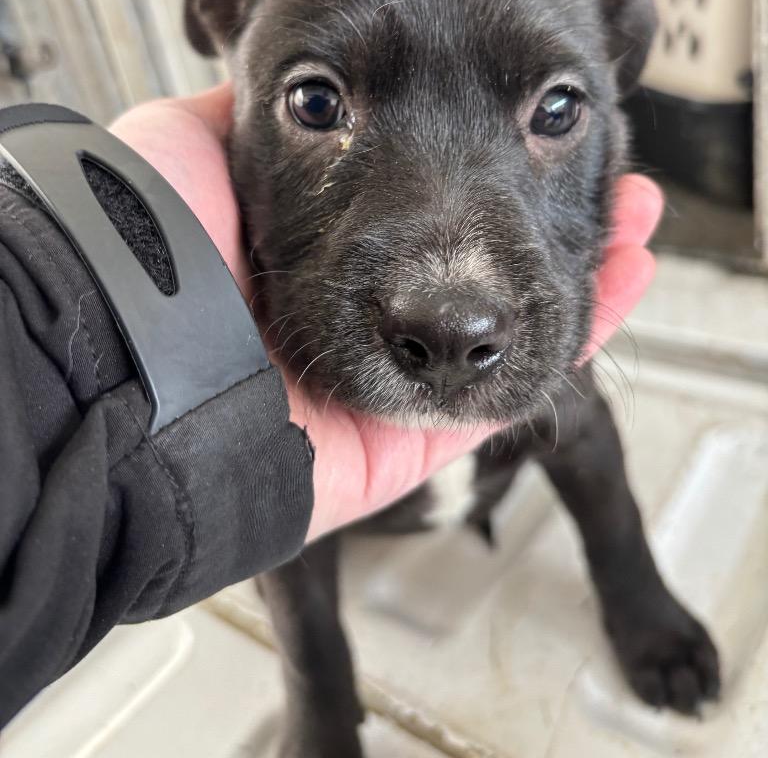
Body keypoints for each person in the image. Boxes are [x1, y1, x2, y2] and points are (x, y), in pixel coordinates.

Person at [0, 83, 662, 727]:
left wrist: (639, 598)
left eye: (554, 111)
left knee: (575, 426)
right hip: (342, 504)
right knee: (284, 487)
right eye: (318, 104)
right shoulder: (263, 394)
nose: (449, 313)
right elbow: (283, 526)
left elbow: (587, 447)